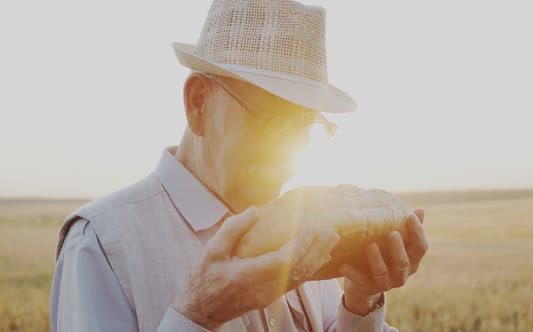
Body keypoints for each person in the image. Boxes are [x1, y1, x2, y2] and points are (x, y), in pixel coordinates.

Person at [50, 0, 429, 331]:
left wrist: (361, 300)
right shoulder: (101, 244)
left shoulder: (298, 222)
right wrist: (199, 314)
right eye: (275, 122)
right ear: (199, 103)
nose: (291, 152)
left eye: (306, 126)